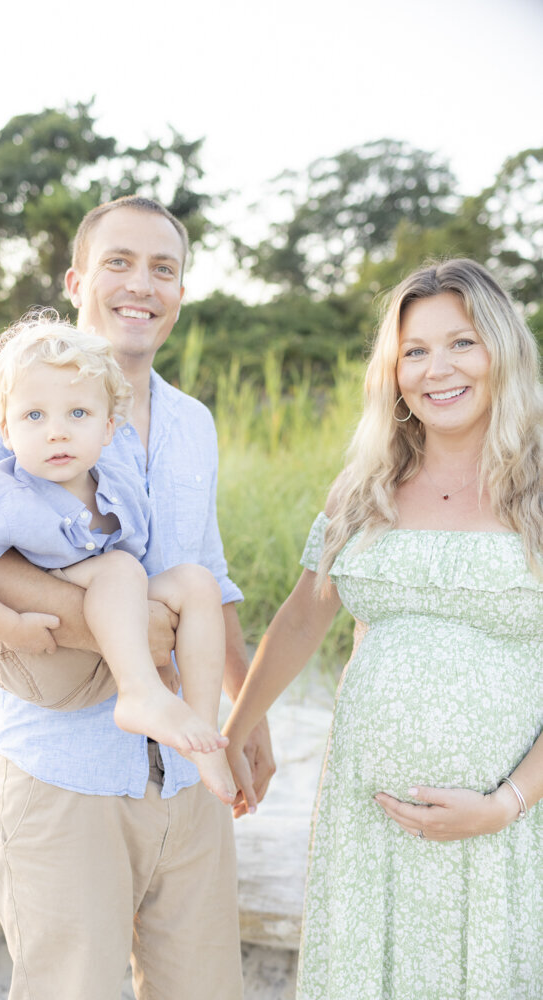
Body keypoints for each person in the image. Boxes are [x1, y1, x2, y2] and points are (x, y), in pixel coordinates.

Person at [0, 196, 275, 1000]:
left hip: (186, 769)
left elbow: (207, 566)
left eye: (162, 268)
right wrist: (89, 623)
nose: (142, 285)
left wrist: (246, 709)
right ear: (77, 280)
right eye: (118, 263)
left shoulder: (193, 423)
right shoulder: (25, 411)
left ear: (180, 290)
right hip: (65, 775)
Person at [223, 258, 542, 999]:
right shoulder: (363, 487)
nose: (438, 369)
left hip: (509, 830)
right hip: (368, 833)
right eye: (415, 351)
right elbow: (303, 617)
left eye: (461, 343)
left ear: (502, 350)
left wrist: (505, 804)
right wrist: (238, 728)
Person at [0, 317, 236, 803]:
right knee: (119, 569)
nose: (56, 433)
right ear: (5, 428)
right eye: (34, 417)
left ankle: (201, 728)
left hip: (113, 596)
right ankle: (137, 694)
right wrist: (7, 624)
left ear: (108, 427)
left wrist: (163, 656)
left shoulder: (116, 482)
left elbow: (143, 562)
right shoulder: (2, 494)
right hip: (56, 645)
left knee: (196, 581)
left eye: (77, 414)